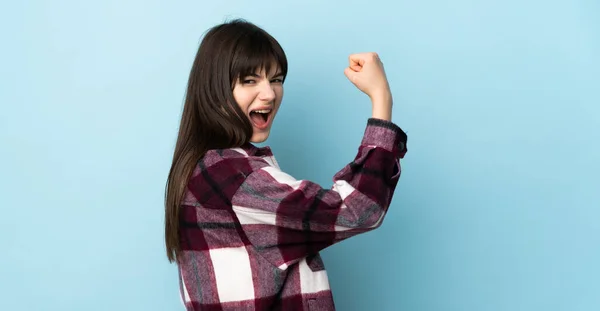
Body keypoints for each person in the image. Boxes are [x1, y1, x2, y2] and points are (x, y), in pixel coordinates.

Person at [164, 19, 408, 311]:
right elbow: (357, 211)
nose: (269, 94)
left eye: (276, 79)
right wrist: (382, 99)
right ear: (215, 90)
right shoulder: (233, 177)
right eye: (250, 80)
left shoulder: (207, 168)